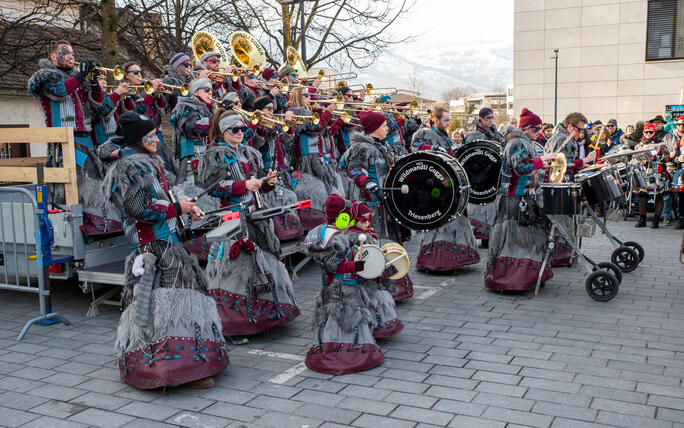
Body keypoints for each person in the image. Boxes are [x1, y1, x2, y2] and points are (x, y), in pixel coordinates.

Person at [105, 112, 228, 390]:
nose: (156, 140)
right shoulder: (129, 168)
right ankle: (165, 366)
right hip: (152, 249)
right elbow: (139, 209)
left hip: (167, 243)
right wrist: (177, 208)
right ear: (138, 140)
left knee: (182, 301)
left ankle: (190, 363)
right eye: (150, 137)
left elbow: (159, 200)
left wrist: (185, 207)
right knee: (160, 305)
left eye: (156, 135)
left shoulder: (146, 164)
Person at [197, 109, 299, 343]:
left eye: (243, 129)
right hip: (230, 217)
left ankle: (265, 315)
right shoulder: (215, 154)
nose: (241, 133)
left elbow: (255, 184)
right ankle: (234, 325)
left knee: (261, 263)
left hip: (254, 214)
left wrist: (267, 183)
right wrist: (244, 184)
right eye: (235, 129)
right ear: (224, 131)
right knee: (235, 269)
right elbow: (213, 187)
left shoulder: (247, 153)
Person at [304, 194, 385, 374]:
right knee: (349, 317)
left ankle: (331, 347)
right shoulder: (335, 239)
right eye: (347, 216)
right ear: (342, 218)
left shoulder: (324, 232)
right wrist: (354, 266)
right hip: (343, 286)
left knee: (331, 317)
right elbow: (333, 265)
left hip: (330, 286)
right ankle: (348, 355)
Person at [341, 111, 414, 301]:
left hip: (384, 203)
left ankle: (391, 286)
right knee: (374, 245)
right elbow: (354, 169)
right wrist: (367, 182)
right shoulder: (362, 148)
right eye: (383, 125)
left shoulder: (382, 147)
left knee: (389, 243)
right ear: (374, 129)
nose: (387, 128)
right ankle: (375, 289)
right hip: (370, 206)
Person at [485, 108, 557, 291]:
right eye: (536, 129)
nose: (539, 132)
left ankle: (523, 277)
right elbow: (521, 168)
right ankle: (510, 279)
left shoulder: (522, 142)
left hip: (519, 196)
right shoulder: (517, 143)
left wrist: (541, 165)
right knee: (513, 240)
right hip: (512, 199)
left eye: (540, 128)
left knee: (524, 239)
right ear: (525, 128)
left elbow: (526, 169)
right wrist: (542, 159)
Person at [28, 40, 104, 173]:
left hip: (86, 137)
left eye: (72, 53)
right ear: (53, 57)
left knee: (93, 175)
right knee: (75, 176)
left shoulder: (79, 80)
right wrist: (81, 75)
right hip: (63, 139)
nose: (71, 56)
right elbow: (60, 92)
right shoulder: (45, 77)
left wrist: (94, 84)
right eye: (66, 53)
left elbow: (97, 103)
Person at [345, 201, 404, 338]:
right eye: (363, 220)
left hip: (371, 276)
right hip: (358, 279)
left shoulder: (368, 233)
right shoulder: (350, 237)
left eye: (369, 219)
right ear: (354, 220)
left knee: (379, 295)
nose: (367, 223)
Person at [288, 86, 343, 230]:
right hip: (307, 159)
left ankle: (322, 219)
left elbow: (322, 129)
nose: (309, 98)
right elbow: (315, 128)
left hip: (316, 156)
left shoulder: (307, 112)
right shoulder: (297, 111)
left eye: (308, 95)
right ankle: (312, 223)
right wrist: (327, 112)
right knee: (311, 192)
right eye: (305, 95)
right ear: (297, 97)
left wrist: (319, 112)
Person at [170, 78, 214, 185]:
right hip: (190, 156)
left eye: (212, 90)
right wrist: (218, 121)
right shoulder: (185, 107)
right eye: (206, 89)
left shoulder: (210, 109)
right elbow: (192, 128)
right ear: (195, 91)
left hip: (206, 156)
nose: (211, 93)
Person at [635, 123, 670, 228]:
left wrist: (660, 160)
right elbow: (633, 158)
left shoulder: (660, 144)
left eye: (651, 132)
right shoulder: (638, 146)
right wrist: (640, 160)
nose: (648, 134)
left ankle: (656, 220)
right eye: (646, 132)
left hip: (657, 172)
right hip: (644, 172)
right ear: (643, 133)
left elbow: (667, 156)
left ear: (654, 132)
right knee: (642, 195)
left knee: (659, 196)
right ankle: (642, 219)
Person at [666, 119, 684, 229]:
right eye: (679, 124)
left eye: (683, 124)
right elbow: (672, 159)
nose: (681, 126)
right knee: (681, 197)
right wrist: (678, 158)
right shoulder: (677, 142)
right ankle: (681, 219)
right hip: (681, 171)